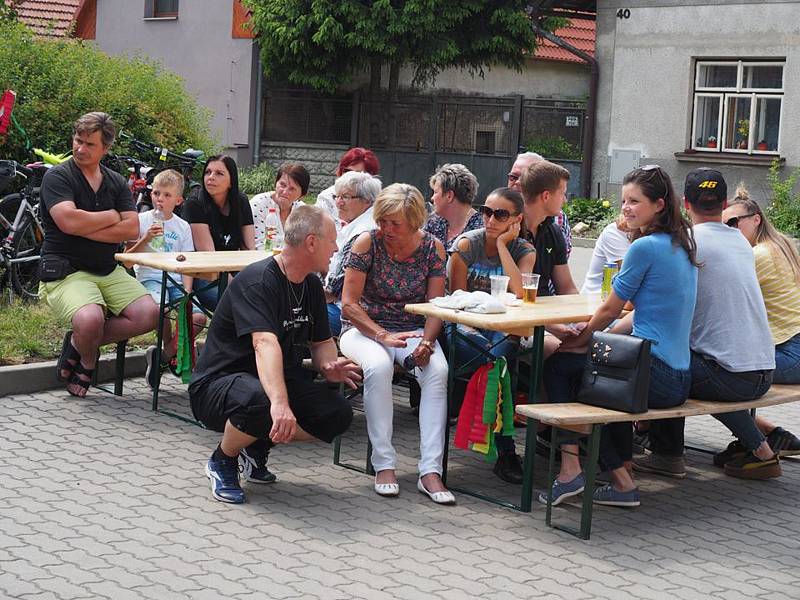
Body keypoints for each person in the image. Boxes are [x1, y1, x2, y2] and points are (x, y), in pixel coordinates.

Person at [542, 165, 699, 508]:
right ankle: (618, 477)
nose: (626, 207)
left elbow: (611, 310)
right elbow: (639, 315)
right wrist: (591, 342)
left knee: (560, 368)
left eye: (634, 201)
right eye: (624, 200)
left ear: (659, 205)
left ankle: (573, 472)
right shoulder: (680, 244)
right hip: (678, 377)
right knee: (597, 377)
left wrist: (581, 341)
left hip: (653, 374)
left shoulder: (644, 248)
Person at [189, 205, 359, 504]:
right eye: (333, 240)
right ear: (311, 242)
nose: (336, 248)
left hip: (272, 381)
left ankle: (255, 445)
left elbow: (321, 343)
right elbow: (264, 344)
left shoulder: (310, 285)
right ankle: (223, 459)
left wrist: (329, 366)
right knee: (264, 402)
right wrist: (280, 404)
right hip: (218, 385)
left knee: (337, 413)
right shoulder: (258, 280)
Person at [634, 168, 781, 481]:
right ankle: (652, 436)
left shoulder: (686, 244)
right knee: (682, 360)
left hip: (733, 375)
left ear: (685, 203)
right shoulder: (740, 241)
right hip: (765, 369)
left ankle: (667, 455)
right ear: (725, 203)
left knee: (670, 367)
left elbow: (662, 307)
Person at [339, 183, 454, 505]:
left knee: (437, 372)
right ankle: (384, 464)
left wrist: (428, 343)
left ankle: (430, 471)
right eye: (383, 221)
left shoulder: (433, 248)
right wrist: (380, 335)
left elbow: (436, 304)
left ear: (415, 222)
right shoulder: (367, 243)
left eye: (395, 223)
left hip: (412, 329)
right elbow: (348, 303)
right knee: (377, 366)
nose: (386, 229)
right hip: (362, 329)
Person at [40, 112, 158, 398]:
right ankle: (89, 360)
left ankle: (79, 343)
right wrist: (109, 215)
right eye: (77, 140)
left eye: (89, 144)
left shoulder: (115, 182)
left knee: (150, 314)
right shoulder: (58, 176)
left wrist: (83, 225)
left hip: (107, 268)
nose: (80, 148)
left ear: (105, 148)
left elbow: (130, 229)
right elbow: (67, 221)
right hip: (66, 271)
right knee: (90, 319)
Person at [449, 187, 536, 483]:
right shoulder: (465, 246)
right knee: (498, 368)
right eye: (486, 211)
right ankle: (506, 452)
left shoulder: (523, 250)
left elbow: (523, 292)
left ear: (517, 219)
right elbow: (455, 299)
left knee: (498, 364)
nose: (490, 219)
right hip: (465, 329)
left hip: (504, 331)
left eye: (500, 214)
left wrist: (502, 246)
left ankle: (492, 441)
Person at [717, 186, 800, 456]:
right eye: (724, 224)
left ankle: (759, 443)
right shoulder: (781, 245)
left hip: (791, 352)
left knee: (716, 375)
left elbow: (720, 295)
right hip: (792, 347)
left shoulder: (758, 255)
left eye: (733, 222)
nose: (729, 229)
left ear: (756, 219)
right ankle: (768, 433)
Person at [125, 169, 207, 388]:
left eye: (166, 195)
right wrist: (145, 238)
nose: (160, 199)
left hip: (176, 281)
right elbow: (127, 261)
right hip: (150, 278)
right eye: (156, 193)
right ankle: (169, 357)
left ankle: (162, 357)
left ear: (178, 200)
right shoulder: (141, 219)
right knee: (163, 311)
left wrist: (188, 291)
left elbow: (187, 263)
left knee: (197, 317)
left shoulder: (182, 226)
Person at [519, 161, 581, 356]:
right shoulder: (511, 230)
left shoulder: (553, 231)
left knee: (592, 343)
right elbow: (514, 297)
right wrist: (553, 326)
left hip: (548, 318)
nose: (565, 199)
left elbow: (567, 287)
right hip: (518, 323)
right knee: (561, 351)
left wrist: (583, 320)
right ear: (546, 196)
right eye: (562, 193)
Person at [182, 155, 255, 310]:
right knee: (242, 306)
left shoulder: (240, 201)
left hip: (234, 271)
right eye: (208, 172)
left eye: (219, 173)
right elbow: (210, 256)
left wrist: (253, 282)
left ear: (231, 180)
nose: (211, 178)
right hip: (204, 274)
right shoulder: (194, 203)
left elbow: (249, 248)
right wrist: (241, 288)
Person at [323, 171, 381, 337]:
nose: (338, 202)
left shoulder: (363, 232)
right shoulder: (359, 223)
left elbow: (333, 291)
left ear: (367, 201)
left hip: (351, 317)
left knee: (294, 311)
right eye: (337, 196)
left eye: (346, 197)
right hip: (355, 311)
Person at [507, 151, 572, 260]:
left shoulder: (556, 223)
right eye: (513, 177)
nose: (518, 182)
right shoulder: (497, 216)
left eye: (527, 178)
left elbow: (561, 263)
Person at [250, 162, 309, 250]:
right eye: (282, 185)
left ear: (302, 195)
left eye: (292, 189)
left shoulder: (303, 211)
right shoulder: (259, 203)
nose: (285, 192)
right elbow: (257, 245)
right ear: (275, 183)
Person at [423, 163, 483, 250]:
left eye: (435, 192)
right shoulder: (434, 223)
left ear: (449, 196)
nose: (432, 198)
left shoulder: (480, 230)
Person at [316, 147, 380, 223]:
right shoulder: (326, 198)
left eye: (357, 174)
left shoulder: (378, 201)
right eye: (348, 171)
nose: (350, 177)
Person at [580, 214, 631, 294]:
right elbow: (631, 276)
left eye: (634, 201)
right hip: (598, 296)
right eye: (624, 202)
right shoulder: (615, 231)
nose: (625, 207)